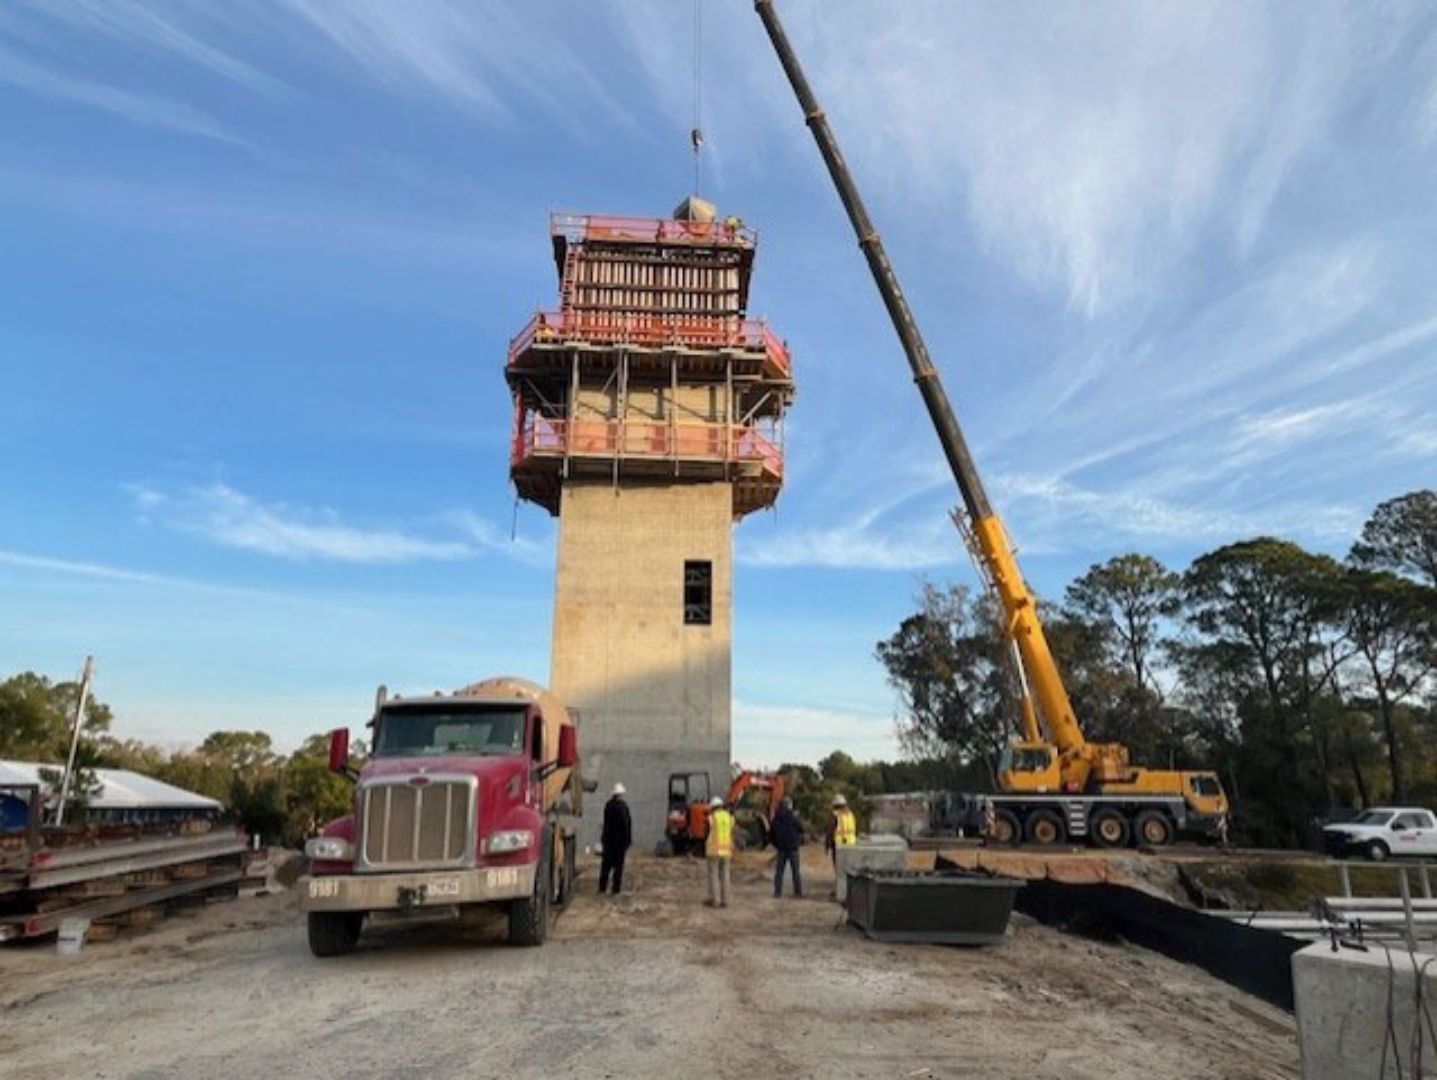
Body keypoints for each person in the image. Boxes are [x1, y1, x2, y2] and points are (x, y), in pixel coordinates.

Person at [599, 782, 632, 896]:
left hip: (608, 840)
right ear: (621, 794)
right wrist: (628, 840)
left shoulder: (608, 805)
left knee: (606, 865)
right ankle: (615, 889)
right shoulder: (623, 807)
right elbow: (626, 824)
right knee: (618, 867)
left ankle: (602, 888)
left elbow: (605, 823)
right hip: (619, 842)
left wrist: (603, 838)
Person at [770, 797, 803, 899]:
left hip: (781, 848)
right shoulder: (793, 817)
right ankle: (797, 892)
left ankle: (777, 892)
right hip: (793, 848)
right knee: (795, 871)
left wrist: (776, 844)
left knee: (779, 871)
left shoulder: (777, 817)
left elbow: (772, 833)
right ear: (789, 805)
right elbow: (801, 829)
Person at [706, 796, 733, 908]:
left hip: (714, 851)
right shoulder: (729, 817)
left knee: (714, 875)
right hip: (726, 851)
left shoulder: (712, 818)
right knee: (725, 875)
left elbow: (708, 832)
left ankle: (715, 900)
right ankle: (725, 900)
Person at [825, 794, 857, 868]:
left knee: (839, 867)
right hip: (852, 843)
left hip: (839, 844)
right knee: (850, 866)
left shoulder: (835, 816)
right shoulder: (850, 815)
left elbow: (830, 831)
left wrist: (827, 846)